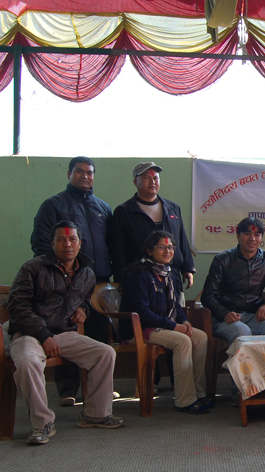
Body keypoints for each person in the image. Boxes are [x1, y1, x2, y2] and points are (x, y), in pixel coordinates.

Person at [7, 220, 123, 446]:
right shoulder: (33, 268)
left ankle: (95, 414)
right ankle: (42, 424)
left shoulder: (86, 272)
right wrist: (43, 335)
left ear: (80, 243)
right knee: (28, 362)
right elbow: (17, 308)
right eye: (61, 239)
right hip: (30, 334)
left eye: (72, 239)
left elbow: (85, 299)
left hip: (65, 334)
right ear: (52, 243)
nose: (67, 244)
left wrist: (83, 309)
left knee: (105, 353)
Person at [30, 155, 114, 407]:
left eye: (89, 172)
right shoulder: (53, 205)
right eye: (79, 171)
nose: (85, 176)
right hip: (65, 280)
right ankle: (68, 388)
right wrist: (57, 272)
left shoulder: (103, 208)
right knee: (65, 330)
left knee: (98, 332)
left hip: (98, 281)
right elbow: (41, 242)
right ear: (69, 174)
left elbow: (111, 243)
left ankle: (98, 388)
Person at [120, 230, 211, 413]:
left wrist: (184, 321)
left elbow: (175, 305)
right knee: (182, 341)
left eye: (170, 247)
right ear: (149, 250)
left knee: (200, 337)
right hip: (140, 329)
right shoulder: (140, 274)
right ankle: (185, 400)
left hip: (162, 326)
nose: (167, 251)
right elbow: (142, 313)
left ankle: (199, 393)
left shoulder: (168, 274)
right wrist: (174, 326)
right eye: (162, 247)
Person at [108, 162, 195, 297]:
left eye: (155, 178)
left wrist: (188, 268)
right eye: (146, 178)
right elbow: (118, 249)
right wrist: (121, 279)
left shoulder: (172, 208)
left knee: (174, 308)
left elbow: (182, 239)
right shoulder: (124, 211)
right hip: (139, 278)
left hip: (171, 275)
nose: (152, 182)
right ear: (135, 182)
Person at [201, 217, 265, 345]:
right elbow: (207, 295)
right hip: (223, 318)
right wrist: (224, 313)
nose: (252, 239)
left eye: (257, 235)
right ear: (238, 236)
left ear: (261, 238)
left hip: (253, 317)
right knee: (242, 331)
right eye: (247, 233)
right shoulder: (222, 260)